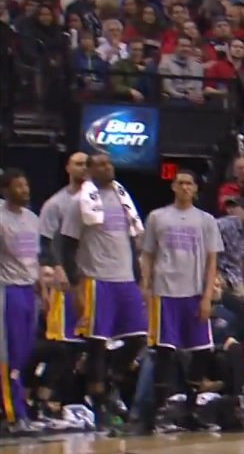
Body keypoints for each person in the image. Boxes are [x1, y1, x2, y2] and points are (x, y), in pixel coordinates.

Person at [60, 154, 148, 429]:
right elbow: (66, 247)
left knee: (138, 338)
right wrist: (77, 286)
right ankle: (99, 407)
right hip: (97, 279)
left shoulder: (123, 197)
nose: (107, 167)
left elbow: (131, 241)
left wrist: (140, 278)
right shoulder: (79, 202)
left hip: (125, 279)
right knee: (97, 344)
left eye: (109, 163)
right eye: (100, 164)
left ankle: (109, 382)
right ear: (89, 170)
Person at [138, 171, 224, 432]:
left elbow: (212, 260)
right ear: (173, 187)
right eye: (181, 183)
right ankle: (158, 412)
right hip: (165, 291)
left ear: (195, 188)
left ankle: (190, 408)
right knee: (164, 352)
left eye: (189, 183)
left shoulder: (206, 220)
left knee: (202, 351)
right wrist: (145, 285)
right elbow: (147, 254)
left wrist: (207, 296)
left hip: (195, 292)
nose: (185, 187)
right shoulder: (157, 216)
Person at [0, 169, 41, 432]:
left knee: (25, 353)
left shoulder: (33, 218)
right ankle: (14, 414)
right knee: (9, 354)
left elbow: (34, 258)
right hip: (8, 290)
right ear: (6, 190)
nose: (24, 190)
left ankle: (18, 408)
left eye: (26, 185)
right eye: (18, 186)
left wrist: (41, 288)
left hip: (29, 290)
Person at [39, 152, 88, 345]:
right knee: (67, 338)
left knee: (97, 338)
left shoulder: (104, 201)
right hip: (68, 276)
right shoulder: (55, 204)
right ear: (68, 168)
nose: (83, 167)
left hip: (97, 276)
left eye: (87, 164)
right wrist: (58, 270)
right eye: (78, 164)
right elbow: (45, 242)